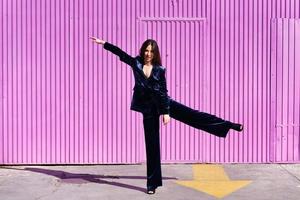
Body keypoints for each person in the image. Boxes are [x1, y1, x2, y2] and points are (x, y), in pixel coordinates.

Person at [90, 37, 243, 194]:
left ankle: (228, 125)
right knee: (152, 145)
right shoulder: (135, 63)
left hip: (163, 104)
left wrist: (165, 112)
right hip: (147, 109)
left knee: (193, 115)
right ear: (143, 51)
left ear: (155, 53)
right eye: (146, 50)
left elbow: (163, 91)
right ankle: (152, 184)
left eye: (151, 51)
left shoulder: (160, 69)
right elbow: (121, 54)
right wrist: (105, 44)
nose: (148, 53)